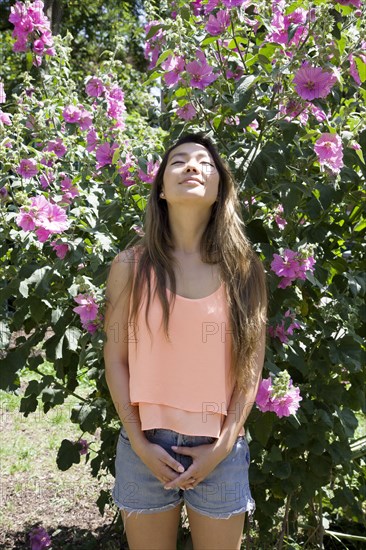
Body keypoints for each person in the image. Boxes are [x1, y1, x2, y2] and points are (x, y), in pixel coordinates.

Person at [103, 133, 267, 550]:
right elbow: (116, 357)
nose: (192, 166)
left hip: (219, 449)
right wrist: (138, 441)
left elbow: (250, 363)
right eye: (179, 161)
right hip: (146, 448)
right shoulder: (130, 266)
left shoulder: (244, 269)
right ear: (161, 188)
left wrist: (225, 443)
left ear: (218, 190)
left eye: (204, 163)